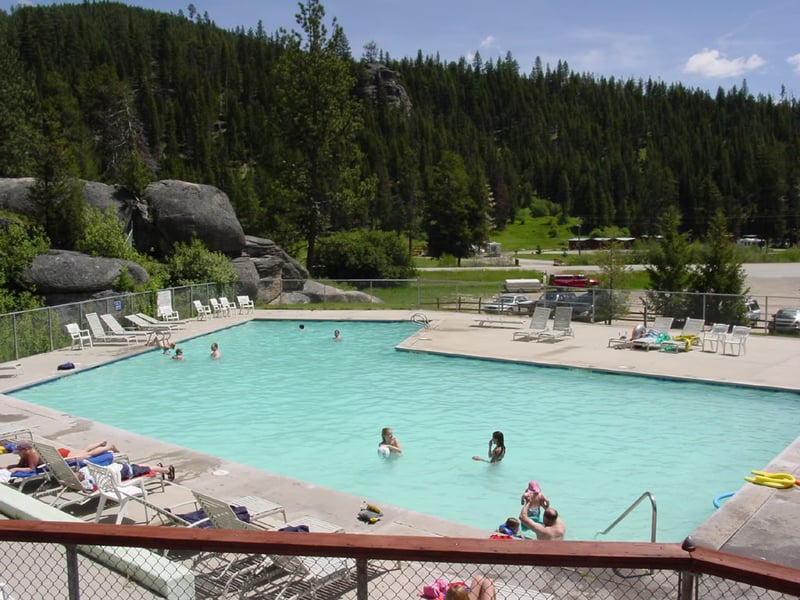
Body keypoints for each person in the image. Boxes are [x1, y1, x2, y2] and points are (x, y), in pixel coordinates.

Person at [78, 461, 175, 489]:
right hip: (117, 467)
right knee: (137, 467)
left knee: (147, 469)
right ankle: (159, 468)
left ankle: (166, 470)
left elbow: (92, 487)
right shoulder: (85, 469)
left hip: (124, 472)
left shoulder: (87, 483)